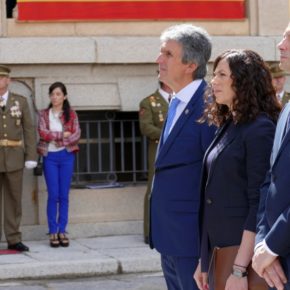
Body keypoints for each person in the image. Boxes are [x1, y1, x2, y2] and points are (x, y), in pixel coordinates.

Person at [193, 49, 281, 290]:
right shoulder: (230, 124)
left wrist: (240, 269)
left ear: (243, 80)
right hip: (218, 253)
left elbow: (258, 203)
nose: (214, 81)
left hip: (241, 257)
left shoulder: (259, 129)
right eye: (214, 74)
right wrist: (204, 259)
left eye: (222, 74)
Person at [149, 24, 216, 290]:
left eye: (168, 54)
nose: (158, 60)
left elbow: (215, 182)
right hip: (170, 238)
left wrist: (206, 250)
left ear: (190, 64)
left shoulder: (208, 104)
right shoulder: (177, 101)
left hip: (192, 243)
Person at [252, 22, 290, 290]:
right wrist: (262, 242)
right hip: (276, 259)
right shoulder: (286, 109)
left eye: (289, 38)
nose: (280, 44)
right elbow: (271, 179)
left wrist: (274, 244)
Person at [37, 82, 81, 248]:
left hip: (67, 156)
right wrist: (62, 134)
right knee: (53, 194)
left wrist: (56, 138)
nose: (55, 97)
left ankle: (62, 230)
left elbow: (76, 135)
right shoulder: (43, 114)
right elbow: (42, 133)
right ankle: (53, 230)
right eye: (52, 94)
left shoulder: (71, 114)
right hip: (50, 157)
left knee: (64, 195)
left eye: (58, 94)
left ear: (64, 96)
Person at [0, 64, 37, 252]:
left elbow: (29, 131)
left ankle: (13, 238)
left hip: (15, 157)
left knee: (14, 199)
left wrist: (31, 155)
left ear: (9, 80)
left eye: (1, 78)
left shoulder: (20, 101)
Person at [139, 80, 172, 244]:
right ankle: (149, 230)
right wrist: (169, 134)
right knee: (154, 188)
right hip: (158, 149)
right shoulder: (149, 102)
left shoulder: (181, 100)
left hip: (179, 150)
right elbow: (146, 127)